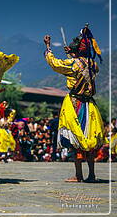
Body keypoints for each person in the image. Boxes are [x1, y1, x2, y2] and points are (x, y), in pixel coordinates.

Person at [43, 24, 107, 182]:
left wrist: (48, 47)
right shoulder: (93, 65)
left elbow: (56, 64)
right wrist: (74, 54)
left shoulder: (73, 64)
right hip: (90, 105)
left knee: (76, 139)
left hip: (75, 104)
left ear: (76, 50)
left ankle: (78, 175)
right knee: (89, 139)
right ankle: (91, 175)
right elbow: (83, 65)